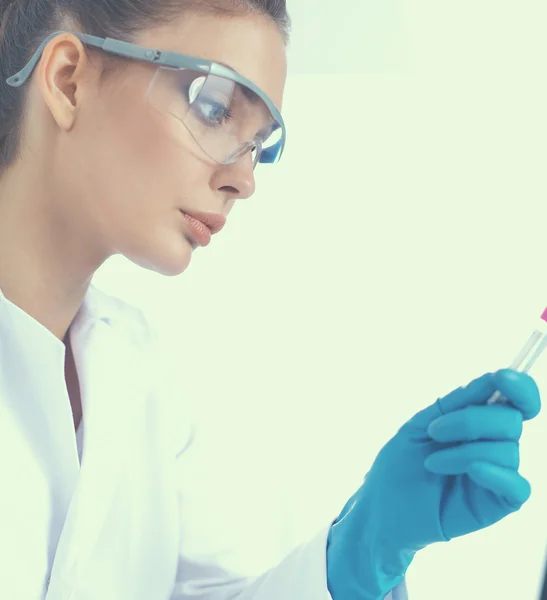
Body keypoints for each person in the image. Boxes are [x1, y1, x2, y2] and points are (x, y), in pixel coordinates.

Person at [0, 1, 541, 599]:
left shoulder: (142, 377)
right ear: (67, 79)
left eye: (259, 143)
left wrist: (361, 553)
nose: (244, 180)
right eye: (212, 108)